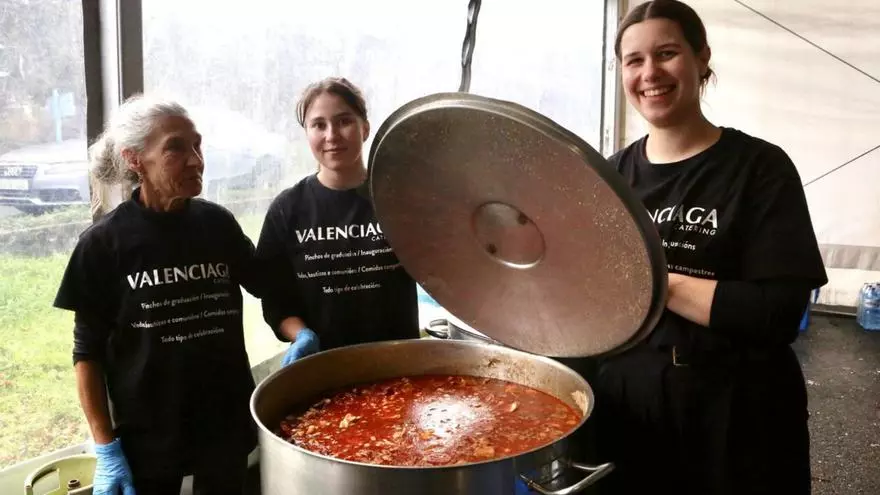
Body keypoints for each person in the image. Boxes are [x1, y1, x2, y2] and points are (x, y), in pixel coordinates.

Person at [590, 1, 828, 494]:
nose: (650, 73)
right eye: (634, 60)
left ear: (702, 59)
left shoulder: (760, 168)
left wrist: (655, 282)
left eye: (667, 53)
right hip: (631, 407)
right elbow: (590, 301)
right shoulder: (609, 177)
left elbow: (778, 313)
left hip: (739, 411)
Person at [54, 94, 268, 495]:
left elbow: (268, 283)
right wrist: (105, 446)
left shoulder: (216, 225)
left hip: (223, 422)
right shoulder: (104, 244)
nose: (196, 160)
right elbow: (87, 353)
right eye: (175, 148)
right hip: (148, 434)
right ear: (135, 159)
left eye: (197, 145)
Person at [256, 77, 419, 366]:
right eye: (318, 125)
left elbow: (444, 270)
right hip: (323, 368)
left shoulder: (401, 201)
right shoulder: (287, 210)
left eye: (344, 121)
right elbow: (275, 301)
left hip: (400, 366)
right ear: (307, 133)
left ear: (364, 128)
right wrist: (301, 335)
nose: (332, 135)